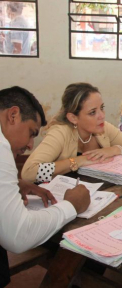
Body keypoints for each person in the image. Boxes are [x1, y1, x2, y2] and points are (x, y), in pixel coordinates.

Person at [0, 86, 90, 286]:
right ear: (13, 115)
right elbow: (18, 236)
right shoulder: (2, 146)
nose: (31, 145)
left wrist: (14, 183)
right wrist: (71, 206)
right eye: (32, 133)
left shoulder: (103, 130)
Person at [22, 83, 122, 183]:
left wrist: (114, 150)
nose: (102, 116)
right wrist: (78, 161)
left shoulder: (104, 129)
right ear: (73, 118)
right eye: (92, 112)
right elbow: (28, 173)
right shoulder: (60, 133)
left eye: (102, 108)